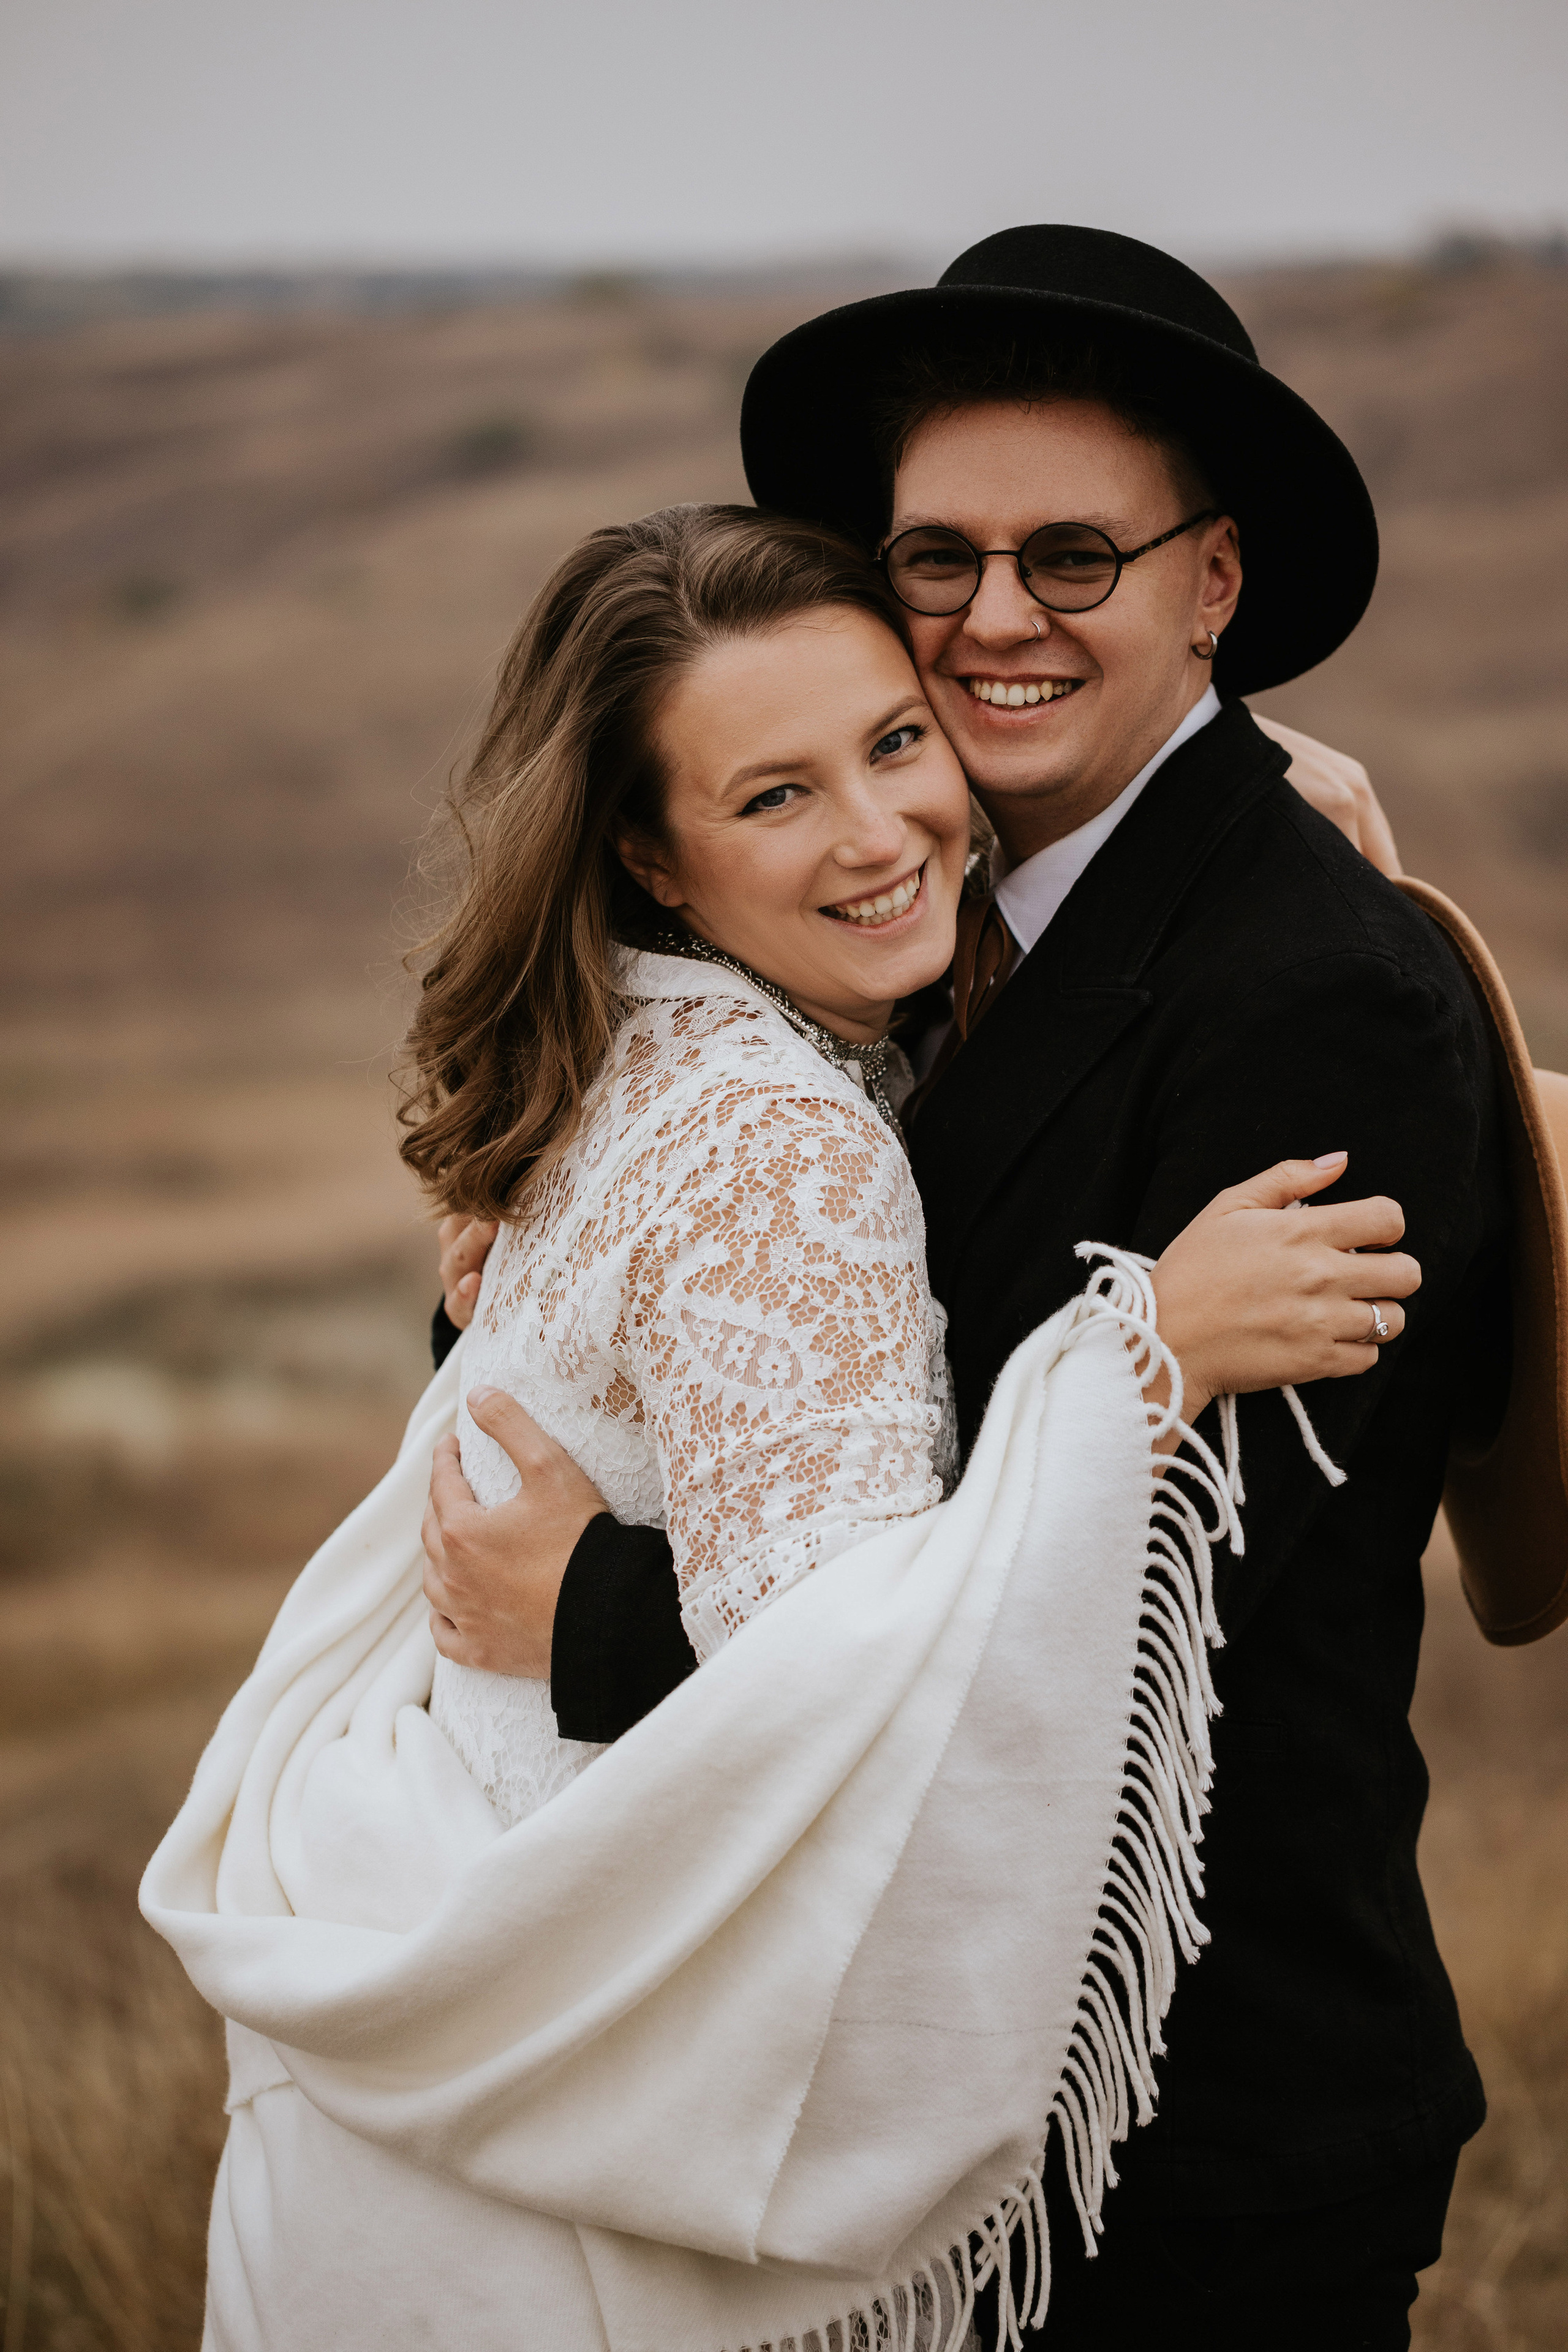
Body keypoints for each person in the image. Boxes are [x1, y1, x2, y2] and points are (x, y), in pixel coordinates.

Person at [144, 501, 1419, 2352]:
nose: (880, 830)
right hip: (576, 2123)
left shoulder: (640, 1040)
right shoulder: (787, 1146)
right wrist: (1144, 1356)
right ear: (656, 857)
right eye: (773, 799)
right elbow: (842, 1697)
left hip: (439, 2056)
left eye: (896, 744)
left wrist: (1243, 829)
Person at [421, 229, 1511, 2350]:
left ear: (1218, 585)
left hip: (1177, 2150)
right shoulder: (902, 927)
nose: (997, 619)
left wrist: (580, 1608)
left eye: (1075, 557)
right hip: (901, 2144)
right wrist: (519, 1307)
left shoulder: (1320, 998)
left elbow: (1140, 1637)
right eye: (942, 557)